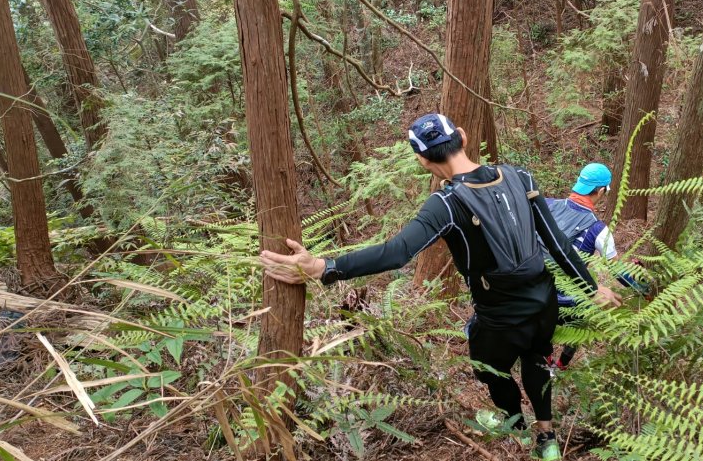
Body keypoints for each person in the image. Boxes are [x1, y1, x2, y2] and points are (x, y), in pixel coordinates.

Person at [260, 113, 621, 461]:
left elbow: (396, 252)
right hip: (544, 303)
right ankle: (547, 438)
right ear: (462, 137)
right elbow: (557, 244)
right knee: (537, 359)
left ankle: (514, 423)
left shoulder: (445, 205)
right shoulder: (520, 177)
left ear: (421, 159)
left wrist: (325, 267)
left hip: (498, 318)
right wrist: (591, 289)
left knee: (490, 371)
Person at [543, 163, 648, 369]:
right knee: (584, 319)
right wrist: (642, 285)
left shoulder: (547, 205)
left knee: (542, 330)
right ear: (601, 191)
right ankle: (561, 366)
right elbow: (619, 274)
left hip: (533, 286)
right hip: (564, 299)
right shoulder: (598, 229)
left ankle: (544, 357)